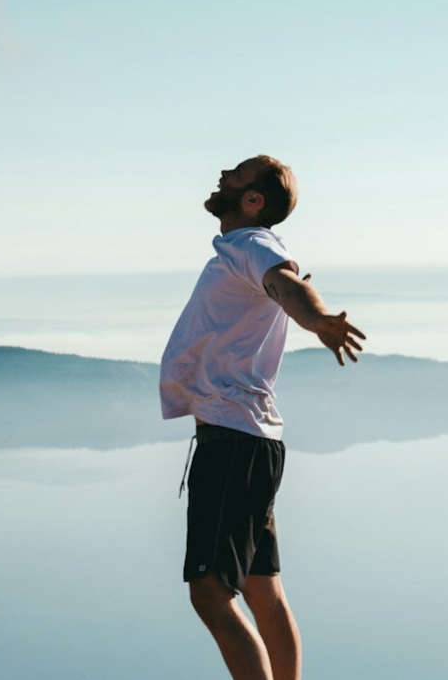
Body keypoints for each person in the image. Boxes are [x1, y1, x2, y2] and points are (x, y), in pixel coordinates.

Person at [160, 156, 365, 680]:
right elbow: (281, 286)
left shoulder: (254, 246)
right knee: (260, 585)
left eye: (238, 172)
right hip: (249, 438)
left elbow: (289, 286)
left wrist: (318, 320)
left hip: (231, 439)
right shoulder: (241, 251)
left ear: (253, 200)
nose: (223, 172)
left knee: (210, 593)